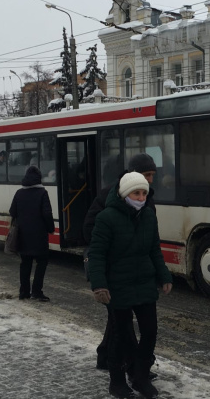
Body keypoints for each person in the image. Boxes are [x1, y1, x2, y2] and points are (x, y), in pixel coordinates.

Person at [89, 171, 172, 399]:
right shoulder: (106, 218)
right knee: (120, 334)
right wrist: (99, 285)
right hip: (118, 285)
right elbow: (96, 254)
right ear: (125, 193)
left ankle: (140, 376)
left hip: (144, 283)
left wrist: (164, 275)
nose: (141, 197)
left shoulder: (148, 216)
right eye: (136, 192)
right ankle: (117, 382)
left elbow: (154, 249)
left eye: (144, 193)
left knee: (150, 332)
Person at [83, 153, 158, 374]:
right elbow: (88, 229)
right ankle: (130, 366)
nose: (151, 180)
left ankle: (107, 356)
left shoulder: (144, 197)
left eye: (153, 175)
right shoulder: (110, 196)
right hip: (112, 273)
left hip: (136, 274)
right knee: (121, 323)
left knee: (119, 322)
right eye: (147, 175)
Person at [9, 165, 55, 301]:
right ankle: (36, 291)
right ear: (39, 178)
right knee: (42, 262)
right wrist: (50, 228)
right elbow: (47, 213)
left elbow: (13, 212)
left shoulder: (19, 193)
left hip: (23, 235)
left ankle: (24, 292)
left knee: (25, 263)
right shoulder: (42, 193)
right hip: (39, 235)